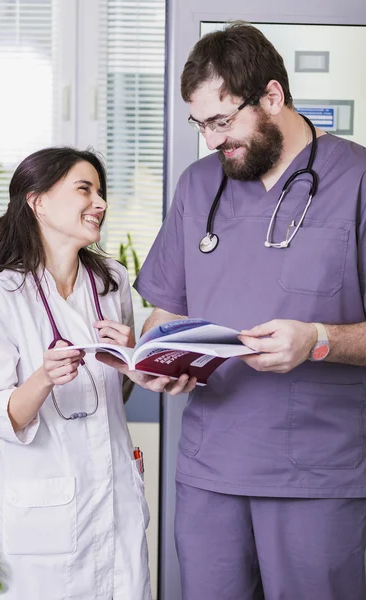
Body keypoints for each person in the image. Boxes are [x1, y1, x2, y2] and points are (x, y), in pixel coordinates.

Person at [103, 21, 366, 600]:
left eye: (222, 122)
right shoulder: (198, 185)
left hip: (317, 478)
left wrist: (319, 339)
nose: (210, 141)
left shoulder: (359, 180)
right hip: (210, 472)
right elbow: (167, 310)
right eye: (200, 124)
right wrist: (153, 357)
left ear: (272, 96)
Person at [0, 147, 158, 600]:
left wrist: (133, 355)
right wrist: (42, 378)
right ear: (37, 201)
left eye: (101, 191)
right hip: (42, 511)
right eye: (85, 189)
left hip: (114, 505)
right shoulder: (4, 293)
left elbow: (125, 387)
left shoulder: (112, 281)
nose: (100, 202)